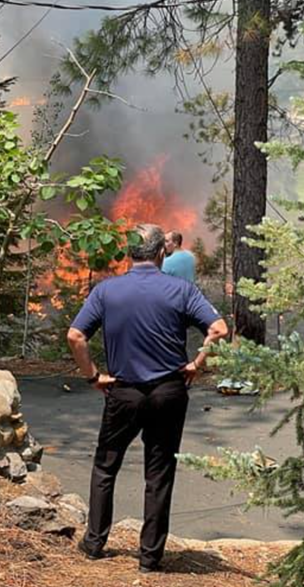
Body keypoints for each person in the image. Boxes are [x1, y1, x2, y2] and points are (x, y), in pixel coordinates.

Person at [66, 223, 229, 573]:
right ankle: (150, 558)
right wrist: (197, 363)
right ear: (161, 253)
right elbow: (219, 330)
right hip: (169, 391)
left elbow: (76, 335)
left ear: (129, 254)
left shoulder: (106, 290)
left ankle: (94, 543)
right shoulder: (181, 290)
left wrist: (93, 376)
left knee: (106, 466)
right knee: (159, 473)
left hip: (122, 391)